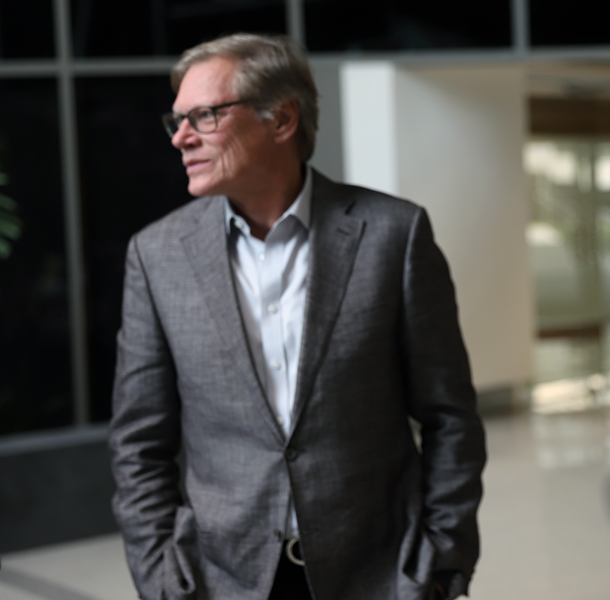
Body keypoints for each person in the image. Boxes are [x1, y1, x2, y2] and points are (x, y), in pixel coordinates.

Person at [108, 33, 486, 600]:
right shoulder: (157, 256)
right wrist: (162, 578)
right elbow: (138, 443)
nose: (181, 138)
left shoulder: (393, 235)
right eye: (178, 120)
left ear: (281, 119)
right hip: (222, 582)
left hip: (382, 577)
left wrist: (440, 564)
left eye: (204, 116)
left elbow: (450, 416)